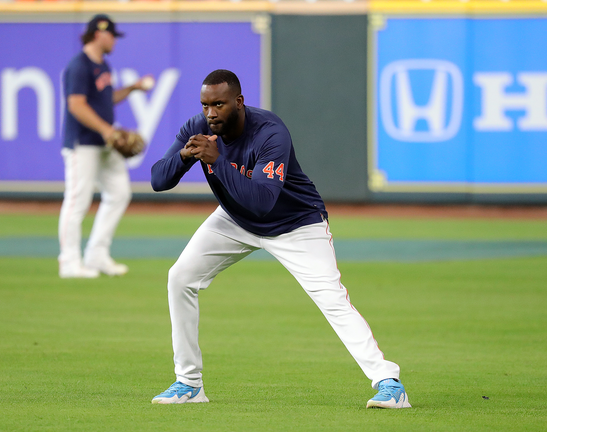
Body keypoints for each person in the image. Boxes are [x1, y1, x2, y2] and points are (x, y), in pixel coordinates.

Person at [149, 69, 411, 408]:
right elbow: (158, 179)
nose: (211, 113)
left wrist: (218, 160)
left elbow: (262, 203)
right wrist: (185, 156)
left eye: (219, 104)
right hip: (234, 219)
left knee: (331, 297)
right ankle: (188, 383)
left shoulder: (270, 133)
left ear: (239, 102)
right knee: (180, 277)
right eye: (205, 105)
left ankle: (389, 382)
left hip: (296, 224)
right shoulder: (197, 129)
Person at [58, 14, 152, 278]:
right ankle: (69, 262)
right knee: (77, 201)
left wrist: (132, 89)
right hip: (83, 143)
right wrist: (107, 130)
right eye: (112, 35)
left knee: (120, 193)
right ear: (99, 34)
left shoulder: (104, 66)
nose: (114, 40)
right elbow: (76, 105)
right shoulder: (79, 66)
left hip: (103, 143)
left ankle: (96, 254)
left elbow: (106, 99)